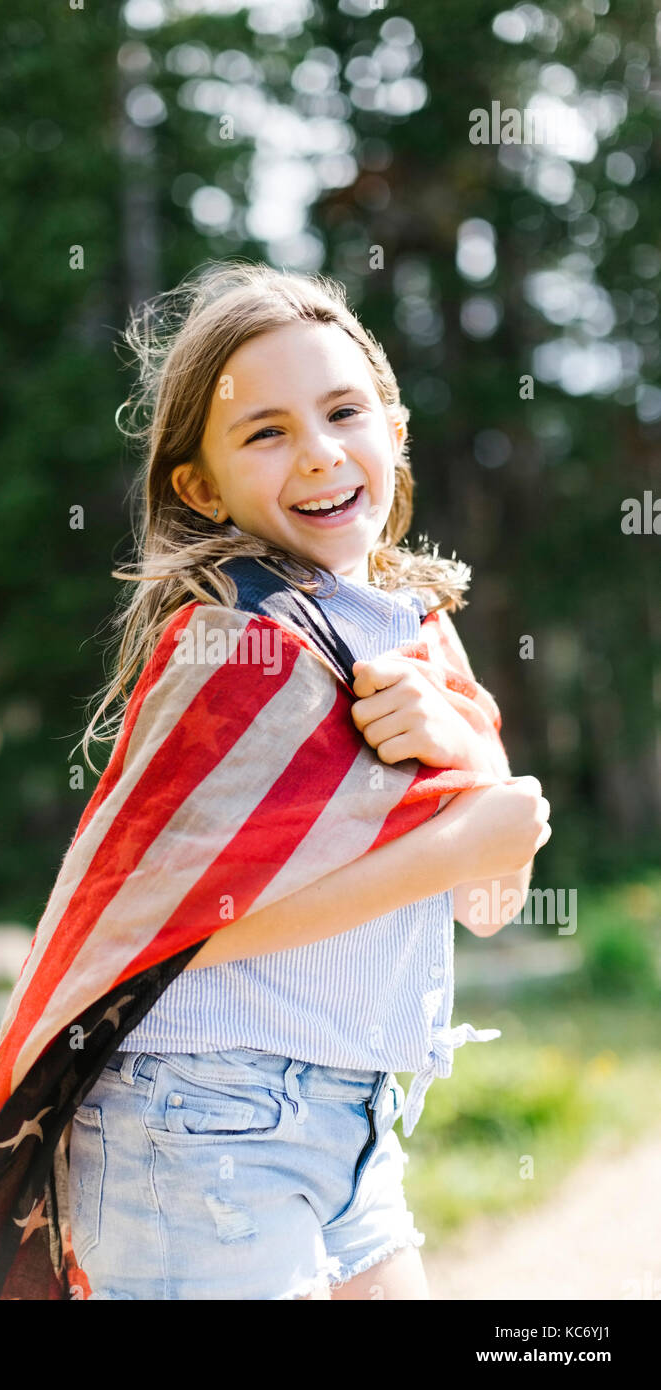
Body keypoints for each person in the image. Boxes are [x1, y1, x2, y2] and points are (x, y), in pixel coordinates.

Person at [64, 260, 551, 1301]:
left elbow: (487, 898)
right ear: (199, 485)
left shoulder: (420, 630)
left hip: (352, 1124)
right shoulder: (231, 642)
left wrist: (466, 765)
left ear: (394, 429)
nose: (321, 453)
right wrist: (462, 837)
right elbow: (195, 925)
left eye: (343, 411)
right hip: (195, 1119)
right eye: (265, 430)